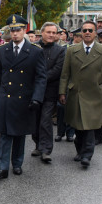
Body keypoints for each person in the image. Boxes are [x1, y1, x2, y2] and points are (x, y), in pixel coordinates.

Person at [0, 15, 47, 178]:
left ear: (24, 30)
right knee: (5, 133)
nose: (15, 34)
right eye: (12, 30)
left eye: (18, 30)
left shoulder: (35, 52)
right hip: (6, 98)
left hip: (24, 98)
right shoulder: (2, 50)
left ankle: (17, 163)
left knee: (19, 134)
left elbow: (41, 77)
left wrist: (37, 98)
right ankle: (2, 167)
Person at [58, 21, 102, 168]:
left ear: (96, 33)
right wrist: (62, 92)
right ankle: (80, 150)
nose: (87, 33)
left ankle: (87, 155)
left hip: (95, 95)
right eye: (85, 30)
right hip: (76, 93)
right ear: (81, 33)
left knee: (90, 126)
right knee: (78, 126)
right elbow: (65, 74)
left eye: (90, 30)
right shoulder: (72, 50)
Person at [31, 22, 65, 163]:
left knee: (45, 120)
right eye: (48, 32)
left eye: (54, 32)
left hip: (50, 91)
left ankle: (46, 150)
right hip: (33, 91)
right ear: (42, 32)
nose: (51, 35)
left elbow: (57, 70)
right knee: (35, 120)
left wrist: (41, 78)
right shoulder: (33, 48)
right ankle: (38, 144)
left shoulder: (61, 50)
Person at [56, 27, 81, 142]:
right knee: (61, 108)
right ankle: (60, 132)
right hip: (65, 82)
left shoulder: (84, 50)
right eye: (79, 36)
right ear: (74, 37)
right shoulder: (65, 48)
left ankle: (70, 133)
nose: (81, 39)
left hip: (76, 83)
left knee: (73, 109)